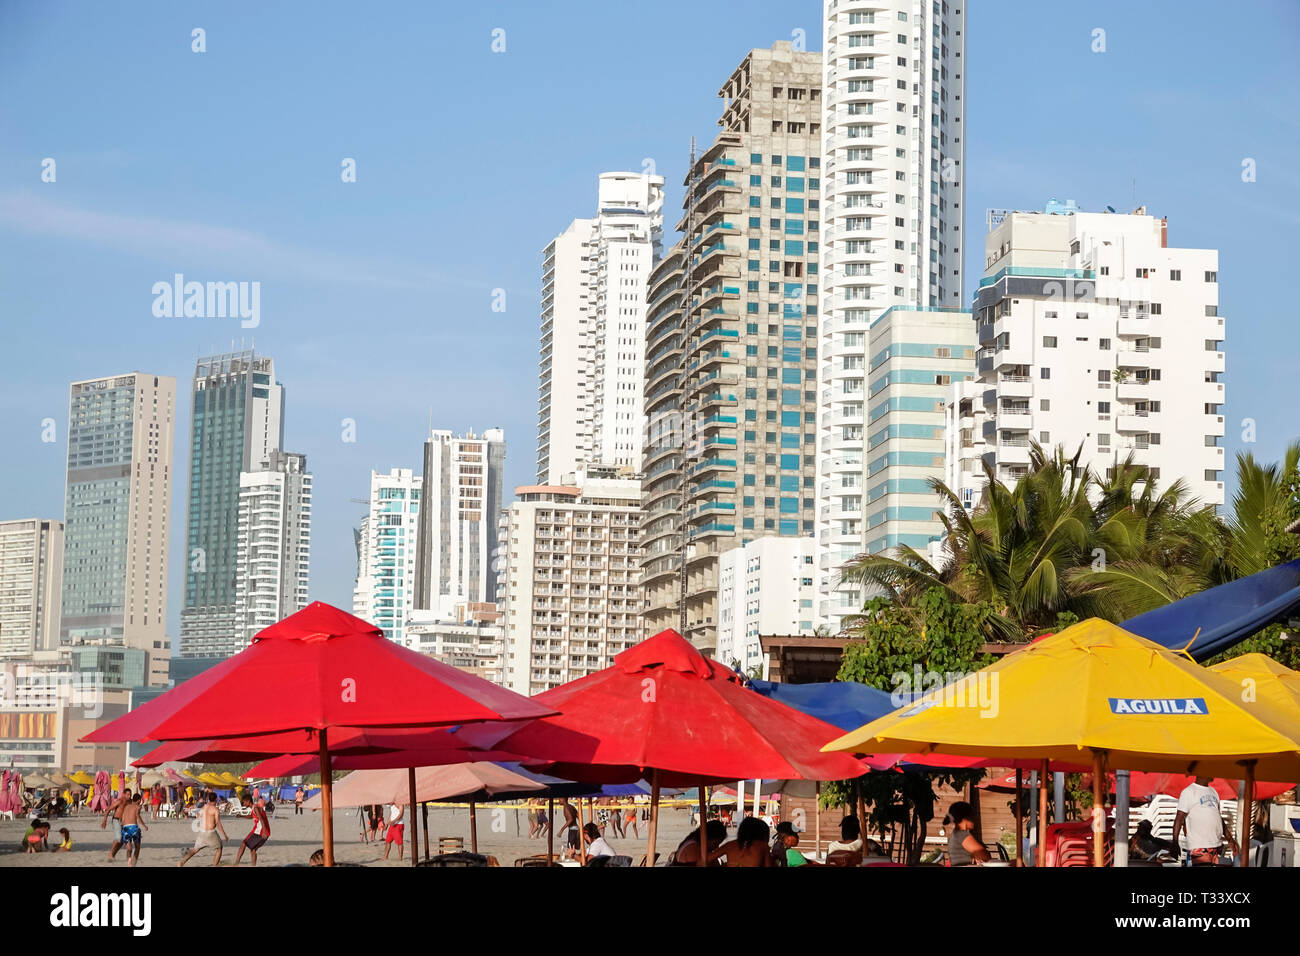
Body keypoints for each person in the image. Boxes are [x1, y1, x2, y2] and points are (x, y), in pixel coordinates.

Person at [1173, 776, 1238, 865]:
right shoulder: (1189, 791)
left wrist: (1230, 839)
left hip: (1215, 848)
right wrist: (1175, 843)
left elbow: (1218, 817)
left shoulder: (1213, 791)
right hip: (1199, 848)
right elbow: (1179, 819)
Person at [179, 793, 228, 867]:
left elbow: (198, 816)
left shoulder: (204, 807)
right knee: (219, 848)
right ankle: (214, 865)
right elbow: (218, 823)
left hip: (202, 832)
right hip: (210, 833)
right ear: (216, 799)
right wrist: (225, 835)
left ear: (208, 799)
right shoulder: (215, 809)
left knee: (195, 850)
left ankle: (181, 863)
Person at [944, 801, 991, 866]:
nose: (974, 818)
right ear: (965, 818)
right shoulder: (961, 834)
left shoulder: (957, 834)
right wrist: (981, 854)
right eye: (972, 815)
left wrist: (975, 856)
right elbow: (985, 856)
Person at [233, 794, 271, 866]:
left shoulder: (255, 808)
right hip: (260, 831)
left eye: (243, 802)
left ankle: (236, 863)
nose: (243, 804)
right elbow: (251, 816)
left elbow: (261, 819)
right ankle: (253, 865)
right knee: (253, 849)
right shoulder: (254, 807)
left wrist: (264, 832)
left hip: (260, 831)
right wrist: (241, 816)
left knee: (244, 843)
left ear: (248, 801)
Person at [102, 787, 132, 861]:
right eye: (128, 794)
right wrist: (104, 821)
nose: (129, 796)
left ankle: (113, 855)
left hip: (124, 822)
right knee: (118, 838)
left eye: (130, 795)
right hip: (116, 820)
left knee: (122, 841)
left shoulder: (130, 802)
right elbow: (108, 809)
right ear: (124, 794)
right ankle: (110, 853)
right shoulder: (120, 801)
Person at [119, 792, 148, 868]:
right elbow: (138, 817)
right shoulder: (137, 807)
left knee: (129, 848)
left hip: (125, 828)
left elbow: (123, 818)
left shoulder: (126, 806)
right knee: (137, 847)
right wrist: (144, 825)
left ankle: (129, 862)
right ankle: (134, 863)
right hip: (134, 828)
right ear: (138, 800)